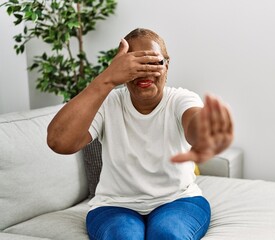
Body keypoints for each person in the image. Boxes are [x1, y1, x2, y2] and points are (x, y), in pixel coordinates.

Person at [47, 28, 234, 240]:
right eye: (135, 65)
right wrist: (107, 78)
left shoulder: (181, 99)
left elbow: (197, 130)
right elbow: (58, 141)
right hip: (115, 206)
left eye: (153, 62)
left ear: (167, 66)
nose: (145, 72)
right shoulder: (108, 103)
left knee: (167, 235)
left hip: (179, 201)